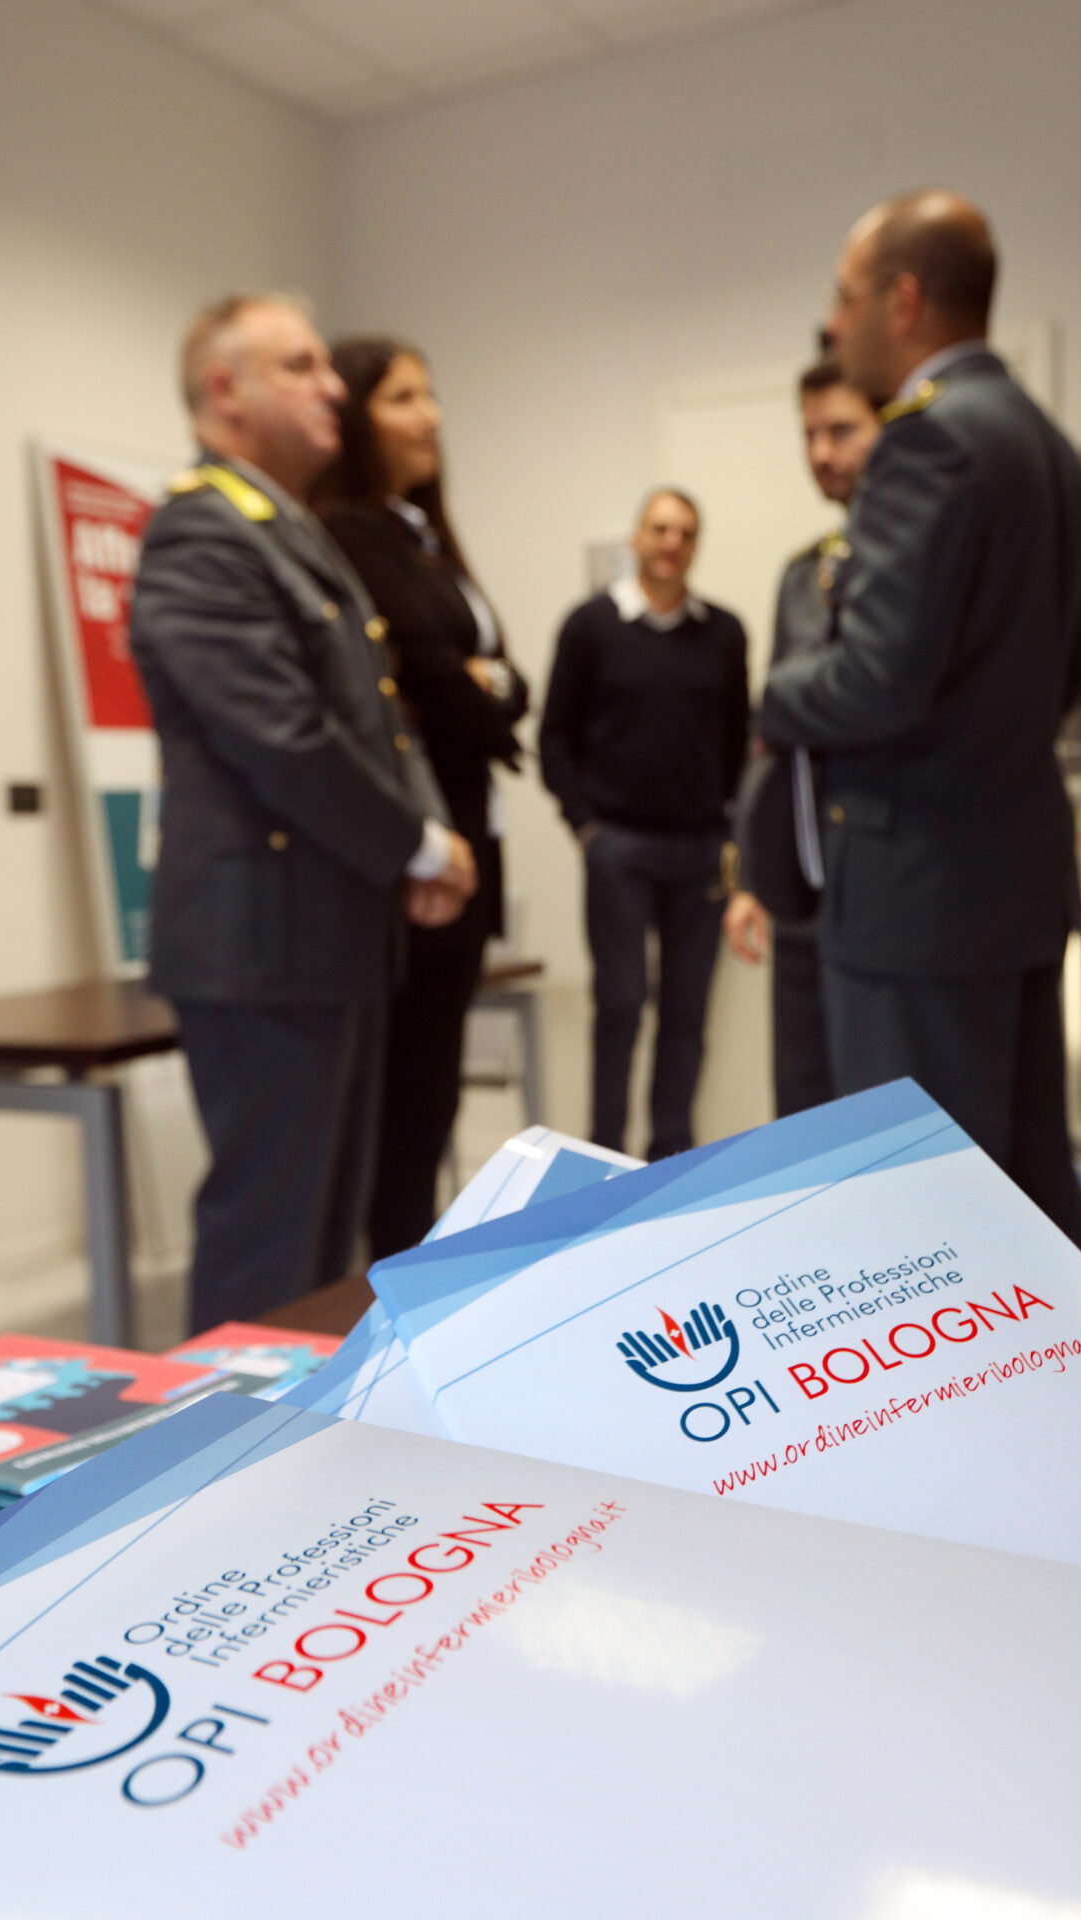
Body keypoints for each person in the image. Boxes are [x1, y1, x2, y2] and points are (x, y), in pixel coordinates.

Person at [130, 294, 476, 1331]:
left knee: (324, 1252)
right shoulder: (202, 530)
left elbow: (377, 714)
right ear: (224, 391)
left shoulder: (287, 529)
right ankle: (225, 1472)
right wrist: (415, 841)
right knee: (269, 1249)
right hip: (263, 947)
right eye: (300, 366)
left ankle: (306, 1465)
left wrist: (421, 836)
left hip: (323, 931)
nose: (332, 387)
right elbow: (278, 733)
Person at [759, 191, 1081, 1249]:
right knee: (1030, 1205)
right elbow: (1067, 670)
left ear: (901, 301)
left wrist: (770, 691)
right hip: (1014, 883)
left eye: (845, 297)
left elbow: (871, 685)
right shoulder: (1047, 444)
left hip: (916, 901)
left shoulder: (926, 441)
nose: (833, 322)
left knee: (921, 1234)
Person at [312, 337, 528, 1257]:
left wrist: (489, 684)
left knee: (434, 1093)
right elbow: (439, 684)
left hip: (473, 836)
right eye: (404, 398)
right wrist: (483, 685)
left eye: (431, 394)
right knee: (406, 1105)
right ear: (357, 416)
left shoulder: (423, 536)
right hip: (415, 851)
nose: (430, 415)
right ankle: (387, 1294)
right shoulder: (353, 533)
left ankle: (413, 1276)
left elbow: (508, 684)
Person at [540, 489, 749, 1159]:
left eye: (686, 531)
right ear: (636, 538)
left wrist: (734, 834)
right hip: (618, 849)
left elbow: (739, 742)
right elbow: (554, 737)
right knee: (622, 1005)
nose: (671, 542)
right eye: (660, 528)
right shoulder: (590, 626)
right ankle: (605, 1157)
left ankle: (672, 1162)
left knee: (686, 1018)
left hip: (699, 851)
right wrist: (585, 826)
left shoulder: (724, 633)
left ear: (696, 545)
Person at [724, 357, 880, 1117]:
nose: (822, 452)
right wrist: (753, 874)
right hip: (801, 891)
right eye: (810, 434)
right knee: (803, 1110)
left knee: (878, 1115)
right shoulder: (801, 574)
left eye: (843, 430)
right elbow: (772, 741)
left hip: (885, 885)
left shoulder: (908, 562)